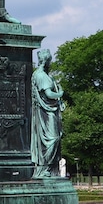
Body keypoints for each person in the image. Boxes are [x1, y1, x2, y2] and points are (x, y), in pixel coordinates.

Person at [30, 49, 63, 178]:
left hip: (47, 111)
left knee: (52, 139)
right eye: (49, 61)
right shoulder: (41, 75)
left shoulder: (43, 74)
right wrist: (60, 94)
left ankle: (49, 168)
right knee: (53, 139)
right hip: (46, 113)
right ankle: (45, 167)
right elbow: (49, 94)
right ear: (46, 61)